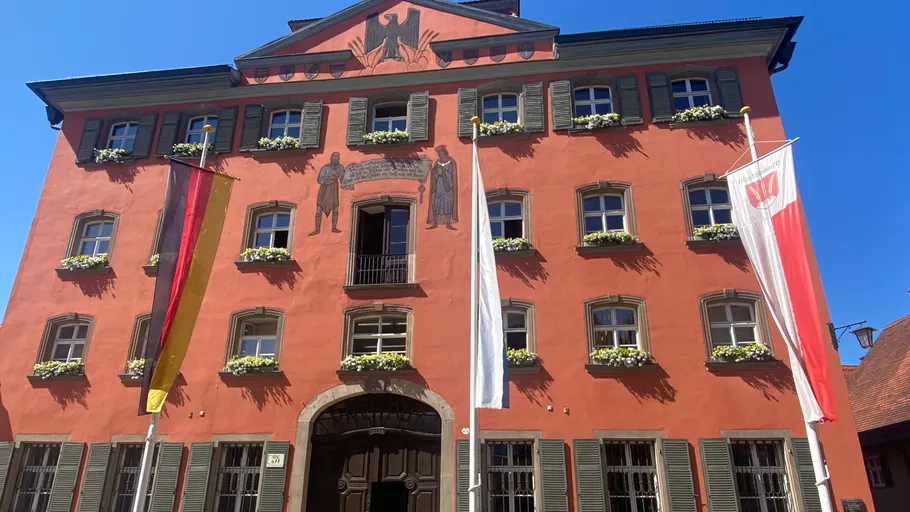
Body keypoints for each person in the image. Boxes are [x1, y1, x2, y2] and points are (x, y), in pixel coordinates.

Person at [310, 152, 346, 235]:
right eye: (334, 157)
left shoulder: (340, 168)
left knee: (335, 207)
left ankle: (334, 227)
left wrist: (342, 176)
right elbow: (319, 180)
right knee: (319, 207)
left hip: (334, 188)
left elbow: (342, 179)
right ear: (331, 158)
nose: (335, 159)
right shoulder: (325, 168)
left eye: (337, 158)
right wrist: (328, 176)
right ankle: (317, 229)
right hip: (324, 187)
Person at [426, 145, 457, 230]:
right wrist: (432, 170)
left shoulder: (451, 162)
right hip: (438, 184)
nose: (440, 154)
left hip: (447, 186)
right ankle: (435, 223)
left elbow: (451, 174)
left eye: (441, 153)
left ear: (445, 153)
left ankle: (448, 223)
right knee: (437, 203)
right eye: (439, 153)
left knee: (447, 203)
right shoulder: (437, 163)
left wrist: (443, 170)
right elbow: (434, 173)